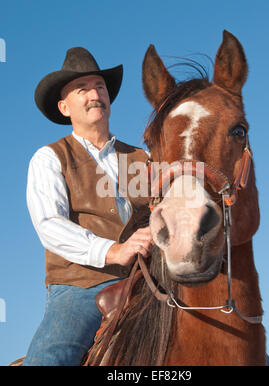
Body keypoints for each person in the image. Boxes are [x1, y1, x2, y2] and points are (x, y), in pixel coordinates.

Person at [23, 47, 152, 366]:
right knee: (51, 356)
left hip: (145, 278)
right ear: (64, 107)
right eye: (83, 89)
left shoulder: (140, 159)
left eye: (100, 87)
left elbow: (157, 214)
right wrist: (113, 251)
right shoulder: (51, 158)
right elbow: (49, 225)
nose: (95, 94)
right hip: (80, 285)